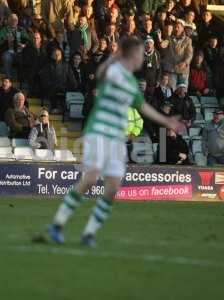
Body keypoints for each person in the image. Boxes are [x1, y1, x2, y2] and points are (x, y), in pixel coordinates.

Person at [45, 37, 183, 247]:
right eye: (139, 53)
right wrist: (114, 57)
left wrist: (167, 121)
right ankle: (57, 224)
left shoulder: (130, 81)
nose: (141, 57)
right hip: (99, 130)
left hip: (116, 138)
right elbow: (101, 75)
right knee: (91, 177)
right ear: (131, 55)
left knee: (113, 186)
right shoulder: (115, 71)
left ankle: (89, 233)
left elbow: (143, 107)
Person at [40, 47, 76, 114]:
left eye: (59, 54)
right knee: (53, 88)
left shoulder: (66, 65)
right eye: (55, 54)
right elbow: (45, 80)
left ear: (61, 55)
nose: (57, 56)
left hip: (64, 86)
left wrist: (73, 85)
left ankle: (62, 108)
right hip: (52, 87)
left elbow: (72, 78)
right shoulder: (47, 66)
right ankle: (55, 107)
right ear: (51, 56)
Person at [0, 13, 30, 78]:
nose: (14, 22)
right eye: (12, 20)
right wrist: (5, 39)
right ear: (8, 21)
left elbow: (29, 40)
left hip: (20, 52)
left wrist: (24, 45)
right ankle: (8, 77)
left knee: (27, 57)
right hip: (9, 51)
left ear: (18, 21)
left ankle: (23, 78)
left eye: (15, 20)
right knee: (6, 56)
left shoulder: (21, 30)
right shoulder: (4, 30)